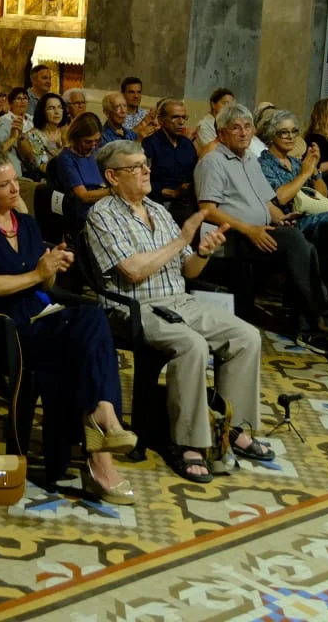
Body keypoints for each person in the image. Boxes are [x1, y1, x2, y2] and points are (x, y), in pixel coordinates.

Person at [0, 149, 136, 502]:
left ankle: (101, 430)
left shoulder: (27, 225)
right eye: (3, 185)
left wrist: (52, 266)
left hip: (41, 315)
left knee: (90, 324)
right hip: (5, 327)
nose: (14, 190)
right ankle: (102, 440)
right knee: (87, 332)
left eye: (14, 182)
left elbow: (46, 285)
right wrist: (38, 273)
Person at [84, 139, 267, 482]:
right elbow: (132, 270)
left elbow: (188, 270)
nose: (146, 171)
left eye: (146, 164)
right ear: (112, 176)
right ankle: (188, 443)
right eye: (135, 167)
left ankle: (230, 429)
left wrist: (202, 252)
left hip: (179, 301)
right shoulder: (102, 215)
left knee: (246, 336)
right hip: (133, 308)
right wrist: (182, 240)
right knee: (190, 345)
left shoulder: (157, 210)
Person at [197, 103, 328, 335]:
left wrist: (282, 219)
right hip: (233, 236)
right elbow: (207, 210)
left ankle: (308, 322)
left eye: (247, 126)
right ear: (221, 133)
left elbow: (268, 203)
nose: (243, 133)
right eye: (236, 128)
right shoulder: (213, 162)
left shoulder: (250, 160)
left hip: (260, 231)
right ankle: (324, 310)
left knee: (305, 244)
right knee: (296, 241)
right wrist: (250, 230)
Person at [256, 109, 328, 302]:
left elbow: (321, 196)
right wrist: (304, 174)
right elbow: (280, 198)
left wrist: (315, 170)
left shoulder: (296, 162)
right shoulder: (263, 163)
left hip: (311, 218)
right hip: (287, 223)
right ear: (272, 135)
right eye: (284, 132)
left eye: (294, 131)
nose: (291, 137)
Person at [143, 98, 198, 220]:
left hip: (187, 201)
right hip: (159, 202)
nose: (181, 122)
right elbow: (141, 180)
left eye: (184, 117)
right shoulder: (149, 145)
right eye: (175, 117)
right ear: (161, 120)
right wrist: (169, 192)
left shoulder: (187, 144)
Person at [52, 113, 110, 225]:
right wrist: (114, 191)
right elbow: (84, 196)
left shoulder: (98, 151)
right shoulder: (66, 158)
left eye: (97, 141)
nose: (93, 146)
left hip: (105, 202)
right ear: (76, 138)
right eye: (88, 142)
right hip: (85, 210)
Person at [18, 91, 65, 180]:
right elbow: (43, 167)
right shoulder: (33, 136)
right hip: (47, 181)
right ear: (42, 112)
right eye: (51, 108)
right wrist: (64, 147)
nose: (57, 112)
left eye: (59, 107)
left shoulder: (66, 132)